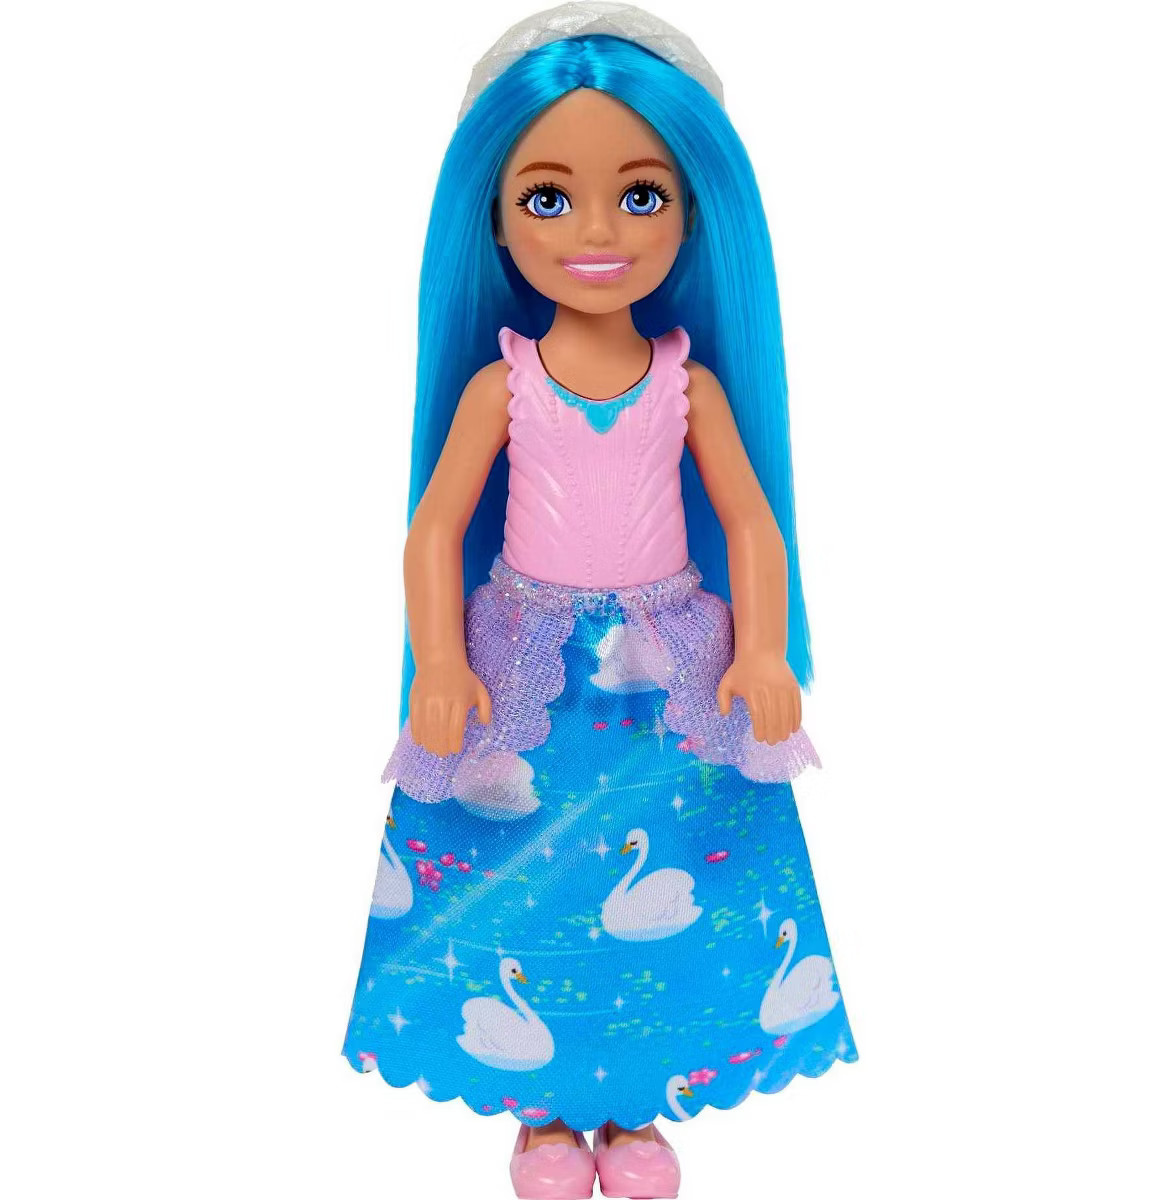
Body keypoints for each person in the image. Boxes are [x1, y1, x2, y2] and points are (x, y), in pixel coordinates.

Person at [343, 6, 856, 1196]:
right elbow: (433, 527)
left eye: (639, 195)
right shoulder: (504, 385)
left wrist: (764, 650)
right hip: (522, 655)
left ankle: (632, 1102)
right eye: (547, 197)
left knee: (683, 849)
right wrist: (439, 662)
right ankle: (541, 1114)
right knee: (520, 869)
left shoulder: (686, 381)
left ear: (692, 211)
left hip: (669, 658)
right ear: (493, 214)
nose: (594, 232)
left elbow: (751, 522)